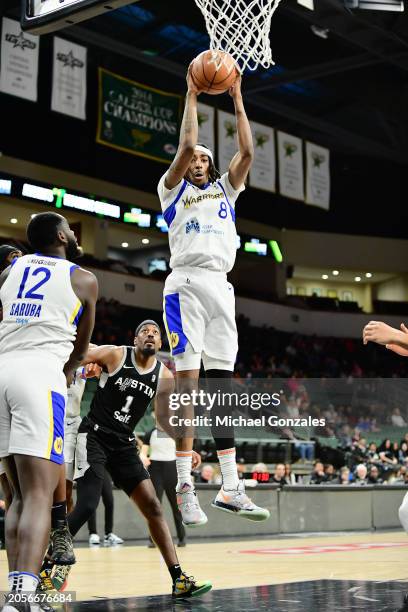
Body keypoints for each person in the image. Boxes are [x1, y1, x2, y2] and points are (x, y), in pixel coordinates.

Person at [158, 64, 268, 527]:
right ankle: (185, 485)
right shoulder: (171, 191)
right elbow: (185, 145)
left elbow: (247, 150)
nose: (199, 160)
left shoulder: (226, 190)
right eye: (195, 158)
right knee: (189, 387)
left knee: (221, 390)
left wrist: (238, 96)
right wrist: (192, 94)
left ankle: (230, 485)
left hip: (222, 288)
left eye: (205, 157)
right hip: (185, 284)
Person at [67, 320, 211, 598]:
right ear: (135, 340)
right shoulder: (117, 355)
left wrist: (185, 447)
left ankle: (179, 579)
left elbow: (162, 418)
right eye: (144, 331)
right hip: (94, 436)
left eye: (156, 333)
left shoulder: (164, 375)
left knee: (154, 508)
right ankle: (52, 563)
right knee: (86, 504)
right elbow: (83, 352)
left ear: (160, 344)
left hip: (123, 444)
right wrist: (87, 362)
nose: (150, 334)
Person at [0, 212, 98, 606]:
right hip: (40, 376)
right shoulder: (83, 279)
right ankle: (24, 595)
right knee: (40, 495)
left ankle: (12, 596)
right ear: (61, 235)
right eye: (71, 230)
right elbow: (81, 345)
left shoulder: (9, 274)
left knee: (18, 497)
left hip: (3, 371)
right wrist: (70, 368)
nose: (74, 235)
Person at [141, 418, 187, 548]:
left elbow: (182, 449)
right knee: (154, 506)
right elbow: (143, 452)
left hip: (172, 468)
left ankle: (182, 537)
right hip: (155, 469)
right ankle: (153, 539)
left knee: (176, 506)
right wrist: (143, 458)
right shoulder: (150, 432)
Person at [87, 470, 123, 546]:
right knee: (92, 502)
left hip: (104, 467)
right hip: (90, 467)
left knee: (109, 500)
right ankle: (93, 533)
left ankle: (108, 533)